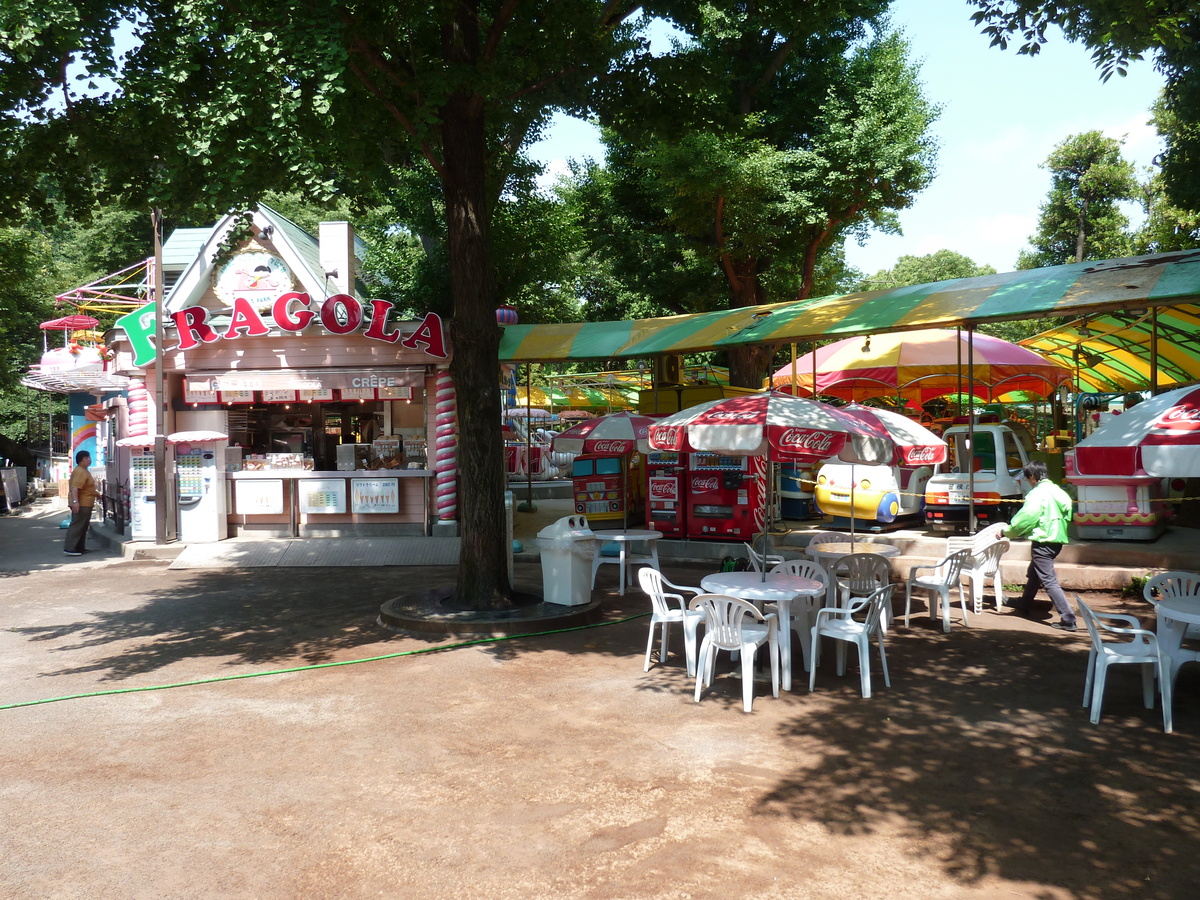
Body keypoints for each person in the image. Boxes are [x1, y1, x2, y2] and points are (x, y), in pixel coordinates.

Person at [1001, 459, 1077, 631]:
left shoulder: (1037, 494)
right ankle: (1024, 602)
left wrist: (1007, 532)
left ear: (1033, 476)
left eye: (1028, 479)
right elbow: (1067, 508)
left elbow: (1027, 517)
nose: (1028, 482)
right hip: (1057, 538)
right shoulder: (1057, 490)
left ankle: (1068, 618)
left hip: (1043, 540)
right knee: (1034, 573)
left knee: (1048, 580)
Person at [64, 450, 96, 557]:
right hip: (81, 503)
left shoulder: (84, 470)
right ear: (80, 461)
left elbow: (88, 487)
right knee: (77, 525)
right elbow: (75, 487)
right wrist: (75, 502)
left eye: (89, 457)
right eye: (86, 458)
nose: (89, 460)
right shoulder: (80, 471)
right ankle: (70, 547)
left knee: (83, 526)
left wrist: (97, 495)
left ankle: (79, 547)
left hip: (87, 502)